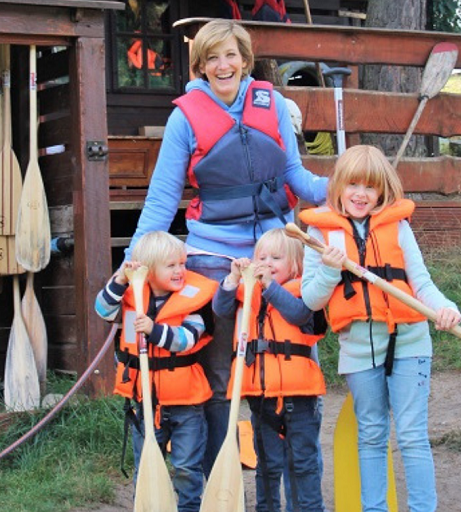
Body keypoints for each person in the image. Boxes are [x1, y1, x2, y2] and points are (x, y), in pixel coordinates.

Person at [123, 19, 328, 477]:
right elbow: (161, 197)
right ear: (200, 65)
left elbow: (297, 176)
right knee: (220, 379)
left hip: (279, 253)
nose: (223, 65)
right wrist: (132, 259)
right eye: (212, 57)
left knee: (288, 364)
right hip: (216, 257)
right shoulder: (185, 118)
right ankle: (221, 481)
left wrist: (342, 188)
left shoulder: (271, 103)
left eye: (230, 55)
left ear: (245, 59)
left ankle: (292, 489)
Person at [299, 145, 461, 512]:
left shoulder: (397, 226)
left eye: (370, 187)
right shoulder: (318, 233)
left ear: (382, 191)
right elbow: (311, 299)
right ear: (338, 185)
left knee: (412, 435)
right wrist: (329, 269)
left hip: (410, 342)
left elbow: (421, 283)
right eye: (353, 184)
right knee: (371, 435)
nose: (360, 194)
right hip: (358, 349)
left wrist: (445, 308)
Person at [96, 231, 217, 512]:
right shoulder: (130, 296)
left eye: (182, 264)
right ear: (148, 271)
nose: (180, 271)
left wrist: (153, 330)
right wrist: (121, 279)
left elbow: (187, 339)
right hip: (145, 403)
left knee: (187, 467)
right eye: (171, 265)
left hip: (187, 405)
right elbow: (102, 310)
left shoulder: (193, 300)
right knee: (146, 468)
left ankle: (189, 508)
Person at [213, 228, 326, 512]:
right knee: (267, 467)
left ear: (296, 265)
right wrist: (232, 279)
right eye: (261, 257)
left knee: (303, 464)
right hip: (261, 399)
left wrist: (270, 287)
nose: (267, 262)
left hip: (299, 400)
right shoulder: (247, 293)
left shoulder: (305, 292)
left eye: (276, 257)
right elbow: (221, 309)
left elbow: (299, 315)